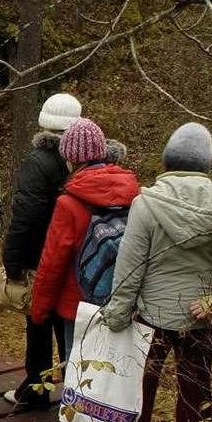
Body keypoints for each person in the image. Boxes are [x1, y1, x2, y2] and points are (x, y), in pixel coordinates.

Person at [98, 123, 212, 422]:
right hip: (201, 319)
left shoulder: (147, 203)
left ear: (167, 159)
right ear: (207, 162)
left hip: (150, 316)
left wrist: (116, 316)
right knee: (195, 395)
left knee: (135, 393)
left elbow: (130, 268)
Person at [28, 118, 140, 359]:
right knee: (113, 366)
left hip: (78, 304)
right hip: (122, 299)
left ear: (69, 159)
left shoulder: (68, 203)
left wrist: (39, 309)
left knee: (78, 368)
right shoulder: (133, 192)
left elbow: (52, 262)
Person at [0, 94, 82, 410]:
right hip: (78, 259)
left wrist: (13, 261)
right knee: (69, 328)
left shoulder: (38, 162)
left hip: (43, 256)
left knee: (38, 322)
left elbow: (25, 216)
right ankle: (75, 396)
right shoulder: (85, 159)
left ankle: (36, 389)